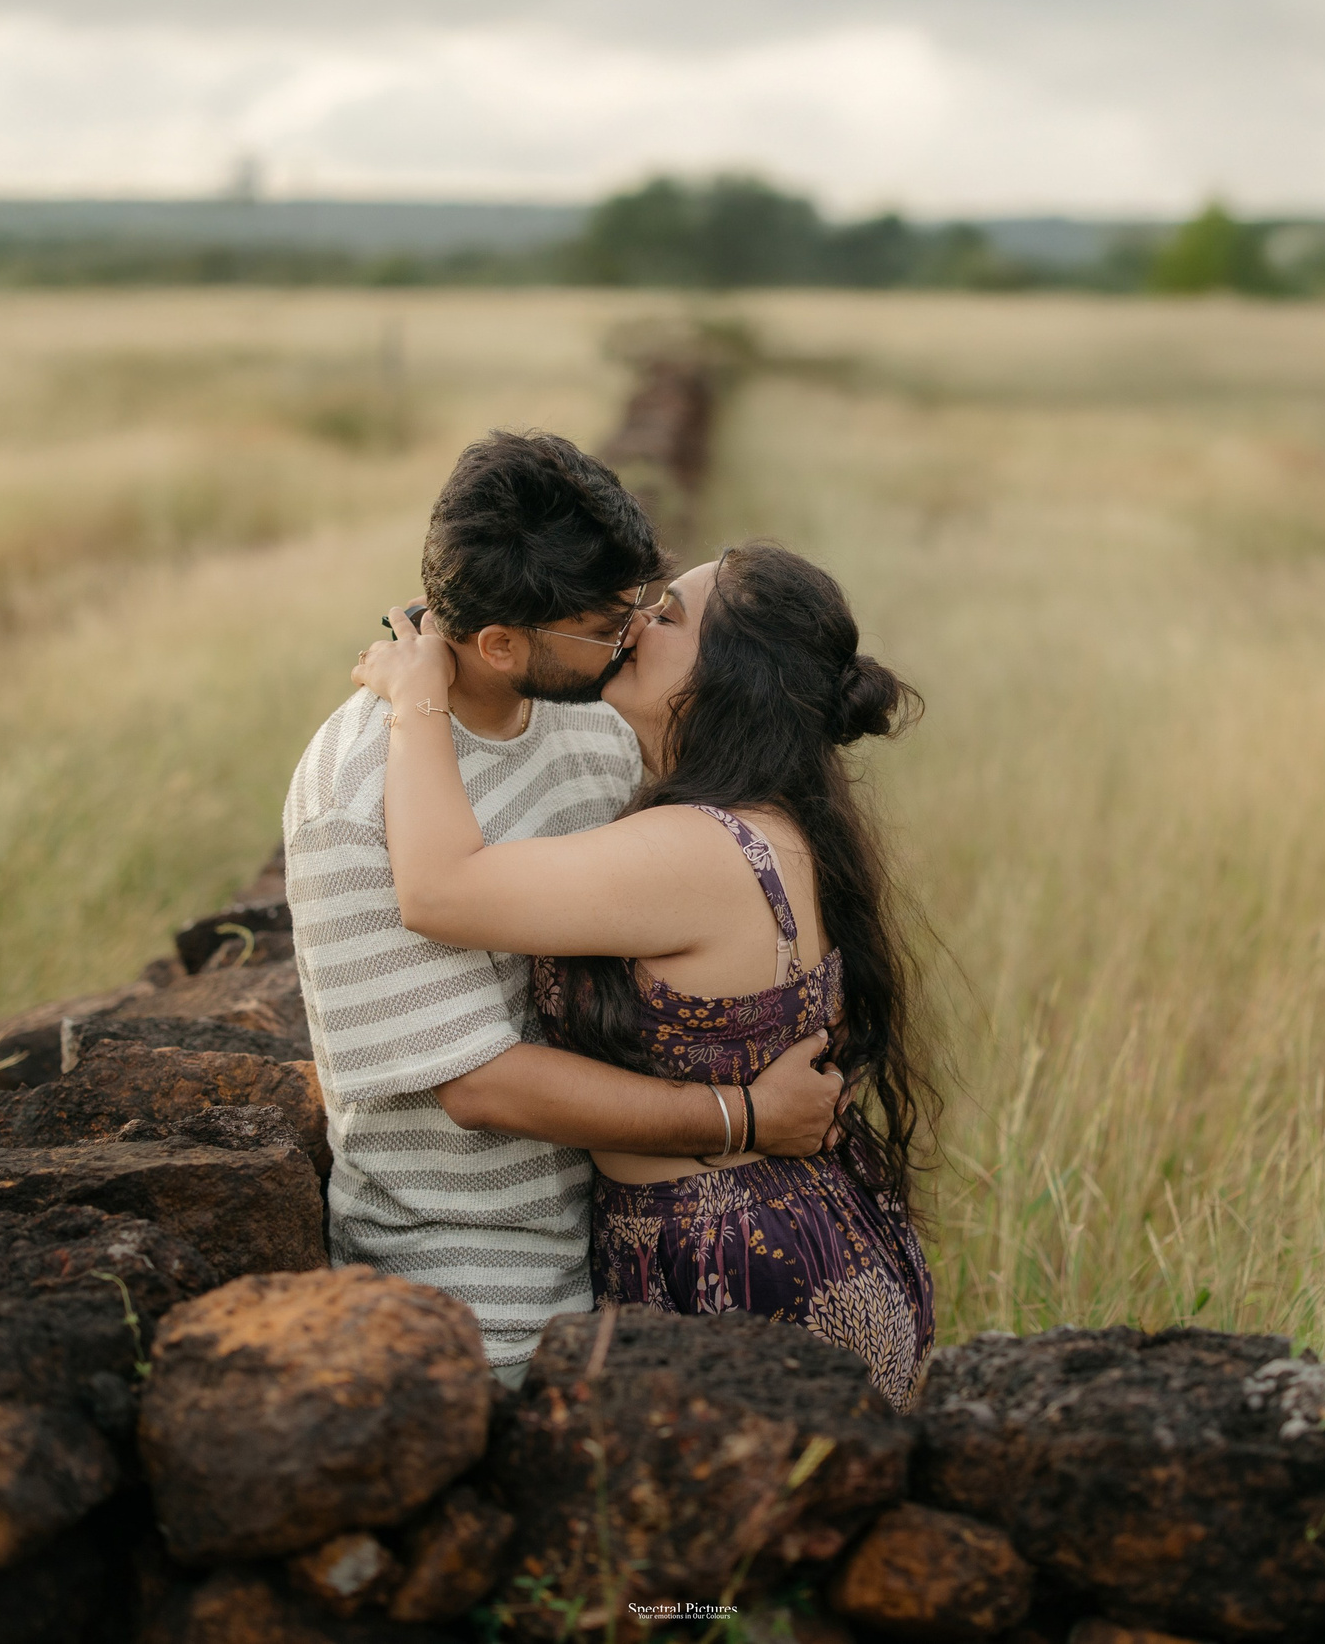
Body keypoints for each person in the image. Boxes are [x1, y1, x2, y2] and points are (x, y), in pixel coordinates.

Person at [281, 433, 850, 1385]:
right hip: (474, 1285)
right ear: (501, 643)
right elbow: (479, 1086)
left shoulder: (594, 720)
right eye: (608, 621)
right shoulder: (358, 792)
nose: (636, 633)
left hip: (625, 1255)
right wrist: (743, 1116)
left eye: (645, 605)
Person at [354, 539, 936, 1406]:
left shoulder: (696, 850)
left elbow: (439, 889)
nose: (634, 624)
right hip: (789, 1238)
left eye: (668, 616)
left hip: (746, 1278)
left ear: (726, 679)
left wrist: (416, 695)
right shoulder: (768, 817)